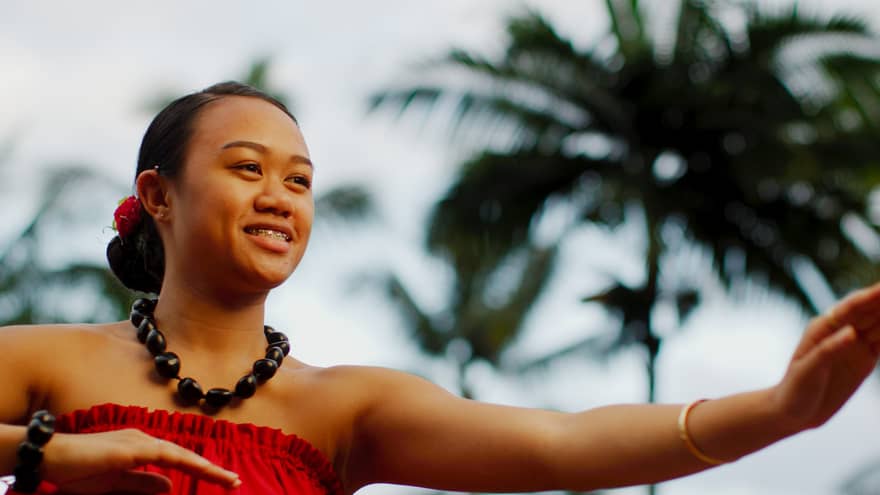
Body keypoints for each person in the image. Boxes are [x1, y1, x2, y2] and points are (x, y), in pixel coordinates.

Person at [1, 81, 878, 495]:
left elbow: (561, 445)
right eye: (246, 168)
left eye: (300, 181)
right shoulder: (52, 363)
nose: (279, 198)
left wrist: (781, 411)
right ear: (157, 195)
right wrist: (44, 452)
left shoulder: (343, 411)